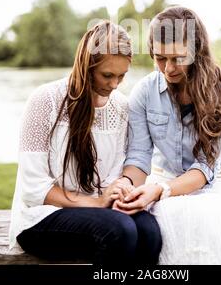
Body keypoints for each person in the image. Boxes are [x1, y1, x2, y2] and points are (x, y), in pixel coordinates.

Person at [9, 21, 162, 266]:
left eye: (121, 76)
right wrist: (95, 202)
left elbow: (122, 168)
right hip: (43, 216)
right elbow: (33, 188)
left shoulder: (122, 107)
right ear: (86, 66)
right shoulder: (45, 100)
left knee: (150, 232)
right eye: (107, 75)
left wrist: (119, 191)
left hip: (101, 210)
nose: (114, 85)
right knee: (120, 230)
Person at [113, 6, 221, 265]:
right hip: (161, 181)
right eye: (159, 58)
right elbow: (138, 156)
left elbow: (204, 169)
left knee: (196, 218)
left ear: (196, 52)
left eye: (178, 58)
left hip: (213, 191)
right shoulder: (144, 92)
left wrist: (159, 191)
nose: (168, 68)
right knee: (154, 225)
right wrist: (127, 186)